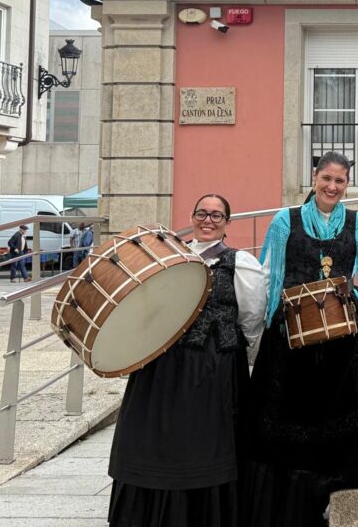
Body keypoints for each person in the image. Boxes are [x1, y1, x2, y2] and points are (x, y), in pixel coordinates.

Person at [242, 151, 358, 527]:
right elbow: (269, 274)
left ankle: (341, 484)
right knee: (287, 410)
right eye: (326, 178)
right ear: (314, 177)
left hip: (343, 338)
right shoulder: (285, 220)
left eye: (339, 181)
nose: (332, 186)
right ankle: (293, 493)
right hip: (292, 337)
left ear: (347, 185)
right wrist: (265, 323)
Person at [107, 194, 267, 527]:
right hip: (162, 367)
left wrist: (226, 341)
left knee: (204, 442)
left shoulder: (241, 263)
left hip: (214, 368)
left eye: (217, 215)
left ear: (227, 223)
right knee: (157, 437)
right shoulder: (170, 256)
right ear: (192, 218)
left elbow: (252, 316)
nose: (208, 220)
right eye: (202, 214)